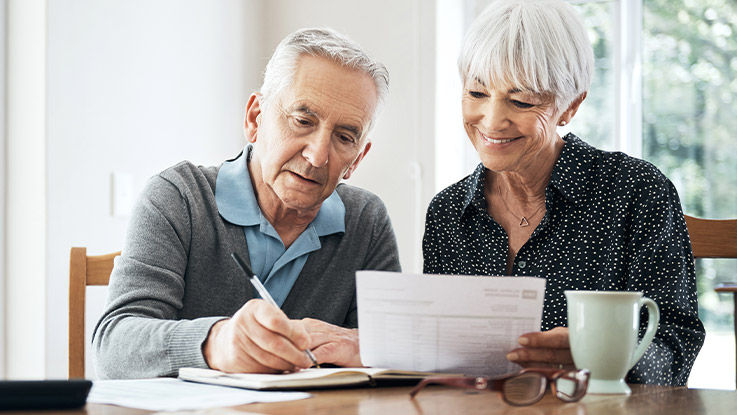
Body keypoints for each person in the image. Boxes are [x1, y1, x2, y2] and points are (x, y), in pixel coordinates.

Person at [423, 0, 704, 386]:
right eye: (476, 93)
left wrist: (603, 355)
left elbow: (676, 348)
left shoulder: (637, 192)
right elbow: (440, 355)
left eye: (521, 101)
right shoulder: (448, 212)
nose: (491, 120)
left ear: (570, 106)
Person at [93, 28, 400, 379]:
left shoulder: (367, 220)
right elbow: (113, 348)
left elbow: (394, 354)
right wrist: (216, 343)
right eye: (302, 121)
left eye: (344, 137)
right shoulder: (178, 197)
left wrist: (370, 348)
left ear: (357, 159)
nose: (317, 156)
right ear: (255, 119)